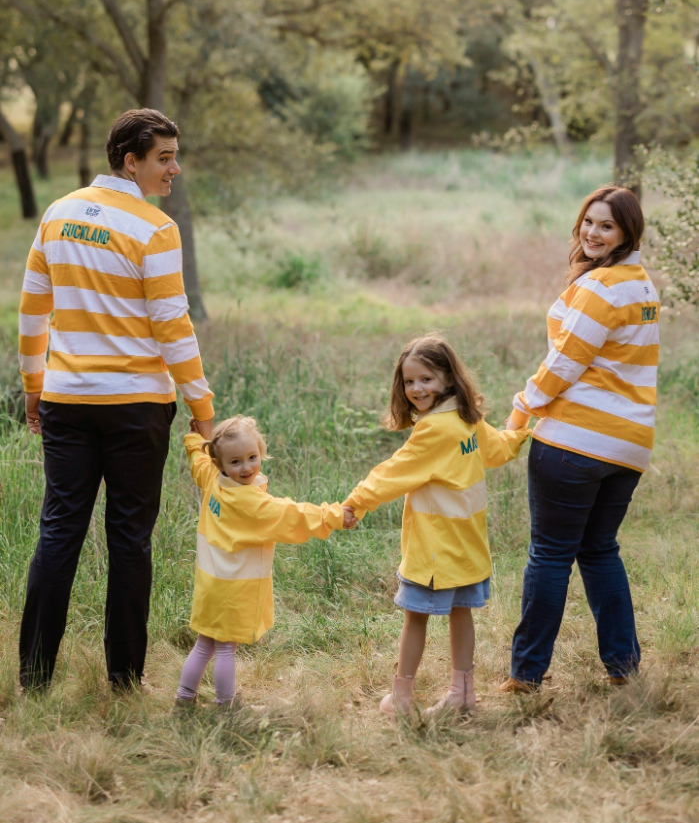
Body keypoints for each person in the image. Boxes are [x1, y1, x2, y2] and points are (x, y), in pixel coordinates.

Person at [18, 108, 214, 691]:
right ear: (131, 160)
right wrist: (203, 410)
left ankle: (33, 676)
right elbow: (172, 326)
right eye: (164, 158)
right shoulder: (154, 228)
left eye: (175, 156)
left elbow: (32, 310)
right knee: (130, 537)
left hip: (66, 401)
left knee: (59, 531)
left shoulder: (57, 214)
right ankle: (124, 679)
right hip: (135, 408)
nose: (174, 169)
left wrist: (35, 388)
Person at [502, 185, 659, 692]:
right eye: (588, 221)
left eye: (606, 225)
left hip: (576, 441)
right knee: (598, 550)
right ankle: (623, 668)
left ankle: (526, 675)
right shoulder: (643, 287)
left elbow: (565, 363)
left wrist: (522, 408)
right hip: (629, 445)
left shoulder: (603, 287)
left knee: (550, 553)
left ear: (627, 232)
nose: (592, 232)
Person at [344, 335, 530, 716]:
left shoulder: (434, 430)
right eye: (409, 381)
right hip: (467, 544)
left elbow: (392, 473)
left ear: (447, 377)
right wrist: (522, 426)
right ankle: (463, 693)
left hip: (434, 548)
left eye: (426, 379)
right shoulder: (466, 419)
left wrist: (354, 504)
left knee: (415, 618)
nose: (416, 389)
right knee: (460, 613)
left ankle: (401, 697)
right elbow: (496, 449)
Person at [176, 415, 356, 706]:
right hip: (233, 588)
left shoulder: (212, 479)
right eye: (235, 462)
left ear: (261, 453)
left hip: (209, 583)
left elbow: (198, 461)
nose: (246, 467)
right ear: (220, 463)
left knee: (204, 643)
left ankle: (183, 700)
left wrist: (195, 440)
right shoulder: (251, 503)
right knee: (224, 649)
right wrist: (335, 515)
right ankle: (227, 705)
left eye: (252, 457)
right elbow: (292, 514)